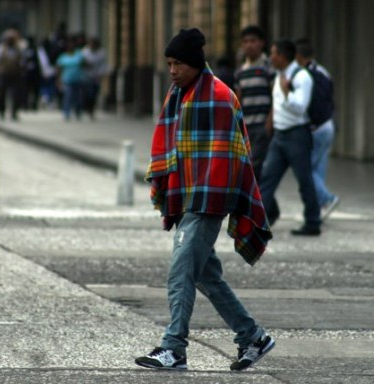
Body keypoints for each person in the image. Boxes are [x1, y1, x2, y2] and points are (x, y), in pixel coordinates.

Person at [136, 28, 274, 372]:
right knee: (204, 276)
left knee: (181, 271)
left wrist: (210, 195)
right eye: (169, 63)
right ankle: (253, 337)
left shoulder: (220, 96)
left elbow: (231, 155)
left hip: (210, 197)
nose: (172, 70)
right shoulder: (178, 95)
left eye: (178, 64)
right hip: (188, 196)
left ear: (195, 64)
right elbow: (174, 146)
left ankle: (173, 348)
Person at [259, 39, 322, 236]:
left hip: (297, 135)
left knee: (304, 180)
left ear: (283, 56)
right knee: (267, 178)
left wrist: (287, 93)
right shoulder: (280, 75)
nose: (271, 57)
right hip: (279, 135)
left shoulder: (301, 77)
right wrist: (271, 121)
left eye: (273, 54)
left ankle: (313, 222)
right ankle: (257, 223)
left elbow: (300, 107)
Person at [294, 38, 340, 219]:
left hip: (315, 128)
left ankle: (327, 198)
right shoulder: (323, 71)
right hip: (328, 125)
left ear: (298, 56)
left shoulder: (303, 75)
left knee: (306, 170)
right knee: (318, 169)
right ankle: (320, 206)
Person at [234, 25, 274, 182]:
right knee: (248, 165)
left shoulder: (268, 67)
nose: (249, 45)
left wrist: (269, 122)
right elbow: (238, 99)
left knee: (255, 166)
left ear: (261, 43)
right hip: (246, 126)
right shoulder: (240, 72)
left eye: (253, 41)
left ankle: (257, 195)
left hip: (262, 125)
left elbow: (275, 96)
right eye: (245, 41)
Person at [0, 29, 24, 121]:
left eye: (12, 39)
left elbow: (22, 61)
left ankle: (14, 112)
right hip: (3, 74)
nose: (11, 41)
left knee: (16, 94)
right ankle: (2, 111)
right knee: (1, 94)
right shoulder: (0, 48)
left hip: (15, 74)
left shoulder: (18, 49)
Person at [56, 37, 85, 120]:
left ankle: (78, 112)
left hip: (78, 79)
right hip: (67, 80)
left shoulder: (79, 54)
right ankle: (66, 112)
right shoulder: (63, 57)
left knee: (78, 97)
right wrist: (58, 80)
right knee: (68, 96)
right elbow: (59, 69)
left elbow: (84, 65)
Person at [82, 37, 107, 119]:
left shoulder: (101, 52)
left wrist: (101, 74)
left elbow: (103, 65)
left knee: (94, 93)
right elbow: (82, 62)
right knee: (87, 93)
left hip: (97, 76)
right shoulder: (85, 51)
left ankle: (91, 109)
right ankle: (87, 107)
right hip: (86, 75)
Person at [22, 36, 41, 111]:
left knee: (35, 90)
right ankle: (26, 104)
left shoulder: (37, 50)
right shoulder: (25, 50)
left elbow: (42, 61)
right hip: (27, 73)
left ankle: (34, 105)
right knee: (26, 90)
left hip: (35, 73)